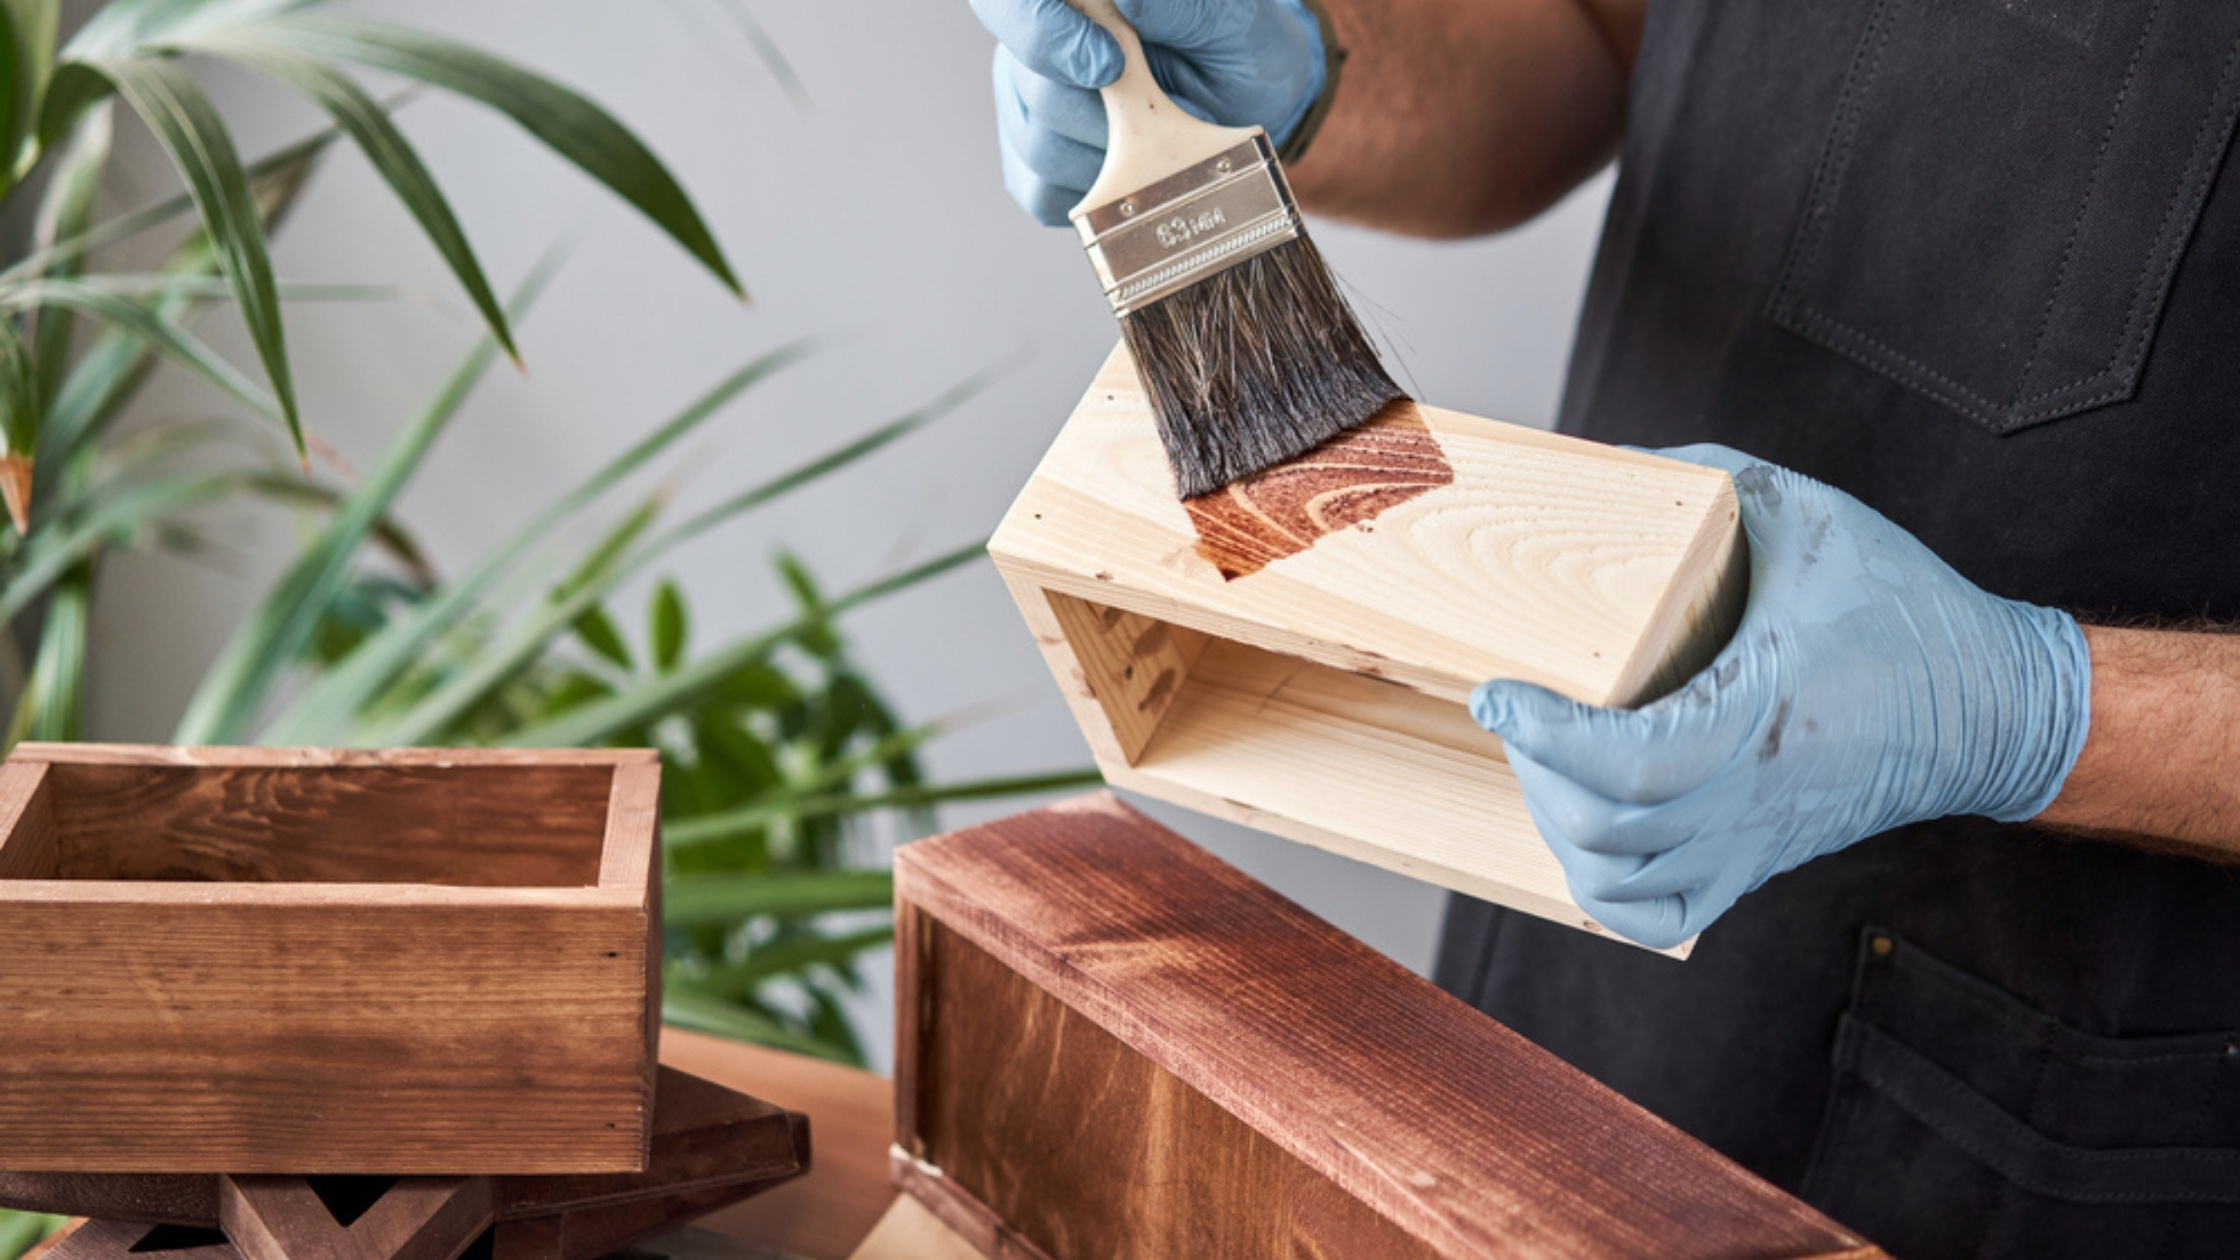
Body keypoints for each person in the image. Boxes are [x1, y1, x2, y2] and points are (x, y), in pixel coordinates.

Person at [967, 1, 2240, 1255]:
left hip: (2065, 1085)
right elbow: (1599, 37)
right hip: (1581, 859)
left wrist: (2023, 708)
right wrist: (1319, 79)